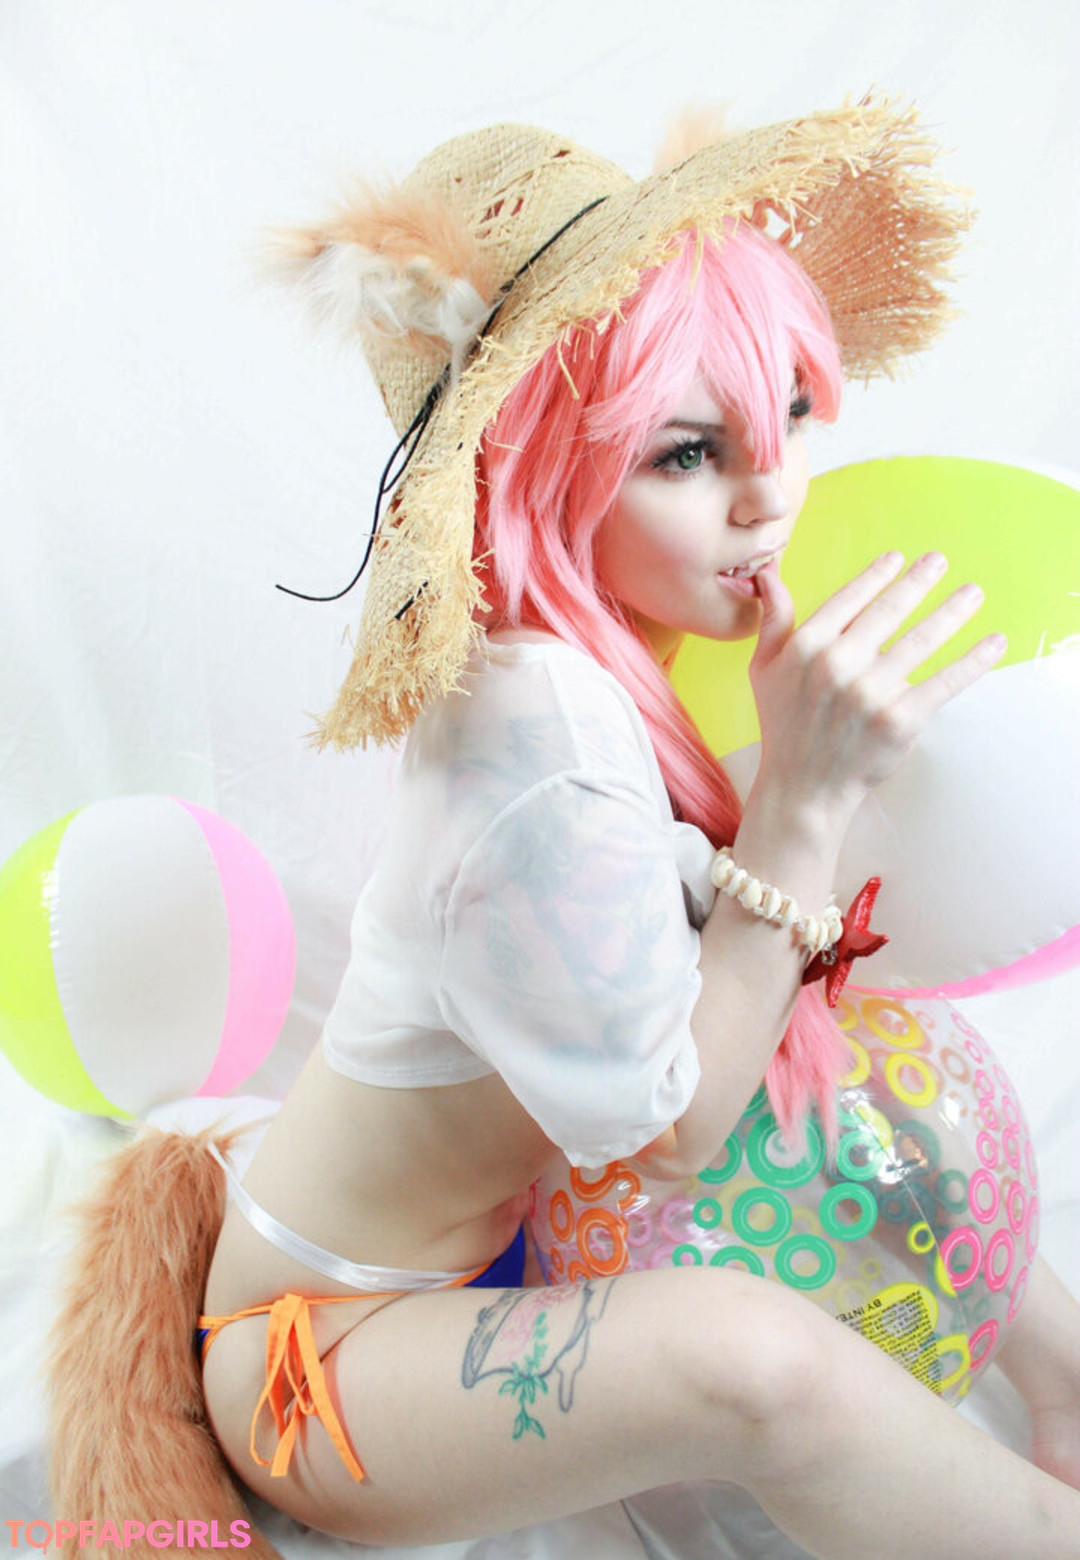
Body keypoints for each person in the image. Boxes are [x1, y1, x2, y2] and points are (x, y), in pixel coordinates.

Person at [49, 97, 1080, 1560]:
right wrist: (801, 799)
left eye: (787, 412)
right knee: (754, 1363)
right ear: (544, 467)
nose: (773, 497)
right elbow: (676, 1135)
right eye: (686, 454)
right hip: (330, 1371)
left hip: (494, 1260)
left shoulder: (614, 664)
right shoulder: (537, 738)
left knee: (853, 1072)